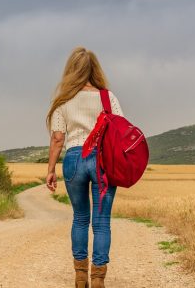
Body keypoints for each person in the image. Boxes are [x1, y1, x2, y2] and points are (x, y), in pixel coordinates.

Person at [45, 47, 124, 288]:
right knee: (101, 223)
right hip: (102, 161)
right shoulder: (107, 97)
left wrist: (50, 170)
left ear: (71, 71)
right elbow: (120, 129)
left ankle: (80, 277)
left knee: (80, 218)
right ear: (95, 69)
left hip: (75, 159)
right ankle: (98, 279)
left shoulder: (64, 100)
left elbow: (58, 139)